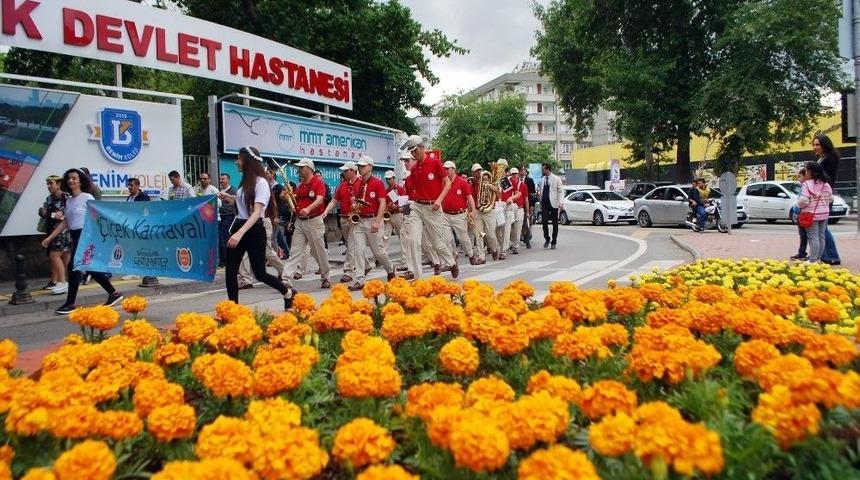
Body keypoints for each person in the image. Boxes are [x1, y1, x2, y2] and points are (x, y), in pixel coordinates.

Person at [43, 169, 123, 315]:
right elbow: (66, 221)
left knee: (74, 267)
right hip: (74, 235)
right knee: (89, 268)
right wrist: (50, 238)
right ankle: (114, 294)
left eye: (74, 178)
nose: (71, 180)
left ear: (81, 181)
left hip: (85, 235)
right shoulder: (69, 201)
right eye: (68, 178)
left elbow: (97, 217)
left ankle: (70, 303)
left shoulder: (87, 197)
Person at [224, 146, 295, 309]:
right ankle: (232, 310)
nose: (236, 162)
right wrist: (229, 198)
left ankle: (288, 292)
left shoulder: (261, 182)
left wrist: (240, 233)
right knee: (230, 271)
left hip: (254, 230)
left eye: (238, 158)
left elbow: (256, 212)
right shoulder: (244, 183)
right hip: (240, 227)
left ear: (247, 161)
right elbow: (244, 207)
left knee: (260, 273)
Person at [401, 135, 458, 279]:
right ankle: (418, 277)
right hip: (417, 207)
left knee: (437, 243)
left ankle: (451, 262)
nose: (413, 154)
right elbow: (409, 193)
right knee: (414, 240)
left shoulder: (435, 163)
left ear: (422, 148)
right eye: (411, 152)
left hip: (433, 208)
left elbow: (447, 183)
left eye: (414, 151)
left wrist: (439, 200)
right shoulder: (414, 170)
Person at [346, 156, 395, 290]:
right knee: (358, 250)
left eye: (363, 166)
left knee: (378, 253)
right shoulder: (359, 183)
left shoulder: (378, 183)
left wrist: (377, 222)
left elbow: (382, 203)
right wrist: (354, 206)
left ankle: (390, 268)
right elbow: (357, 200)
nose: (360, 168)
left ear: (370, 167)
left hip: (373, 219)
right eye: (359, 166)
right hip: (360, 220)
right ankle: (360, 279)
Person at [282, 158, 331, 289]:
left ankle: (326, 277)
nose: (299, 170)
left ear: (309, 168)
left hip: (314, 221)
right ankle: (286, 279)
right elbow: (296, 201)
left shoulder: (318, 182)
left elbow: (320, 199)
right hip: (300, 222)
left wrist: (308, 209)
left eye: (301, 167)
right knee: (294, 251)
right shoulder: (301, 185)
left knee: (319, 251)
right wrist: (288, 198)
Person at [322, 162, 360, 283]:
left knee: (352, 243)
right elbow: (334, 201)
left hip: (357, 218)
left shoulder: (362, 183)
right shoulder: (342, 186)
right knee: (351, 244)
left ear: (353, 171)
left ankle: (348, 271)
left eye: (346, 171)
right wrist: (326, 211)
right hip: (344, 218)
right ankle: (367, 265)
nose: (343, 173)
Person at [38, 175, 70, 295]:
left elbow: (64, 215)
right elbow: (45, 212)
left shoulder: (65, 196)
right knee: (60, 257)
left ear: (58, 184)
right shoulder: (49, 198)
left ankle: (62, 282)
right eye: (48, 184)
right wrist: (44, 212)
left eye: (51, 183)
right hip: (52, 230)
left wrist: (53, 213)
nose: (49, 186)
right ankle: (59, 281)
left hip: (64, 232)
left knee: (55, 255)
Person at [441, 161, 477, 265]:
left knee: (463, 238)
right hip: (445, 215)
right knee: (446, 239)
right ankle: (453, 257)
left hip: (459, 215)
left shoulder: (462, 182)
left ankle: (470, 254)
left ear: (453, 169)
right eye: (445, 169)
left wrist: (473, 210)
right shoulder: (443, 182)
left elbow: (469, 198)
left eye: (447, 169)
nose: (445, 170)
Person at [813, 134, 841, 265]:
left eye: (817, 144)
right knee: (820, 229)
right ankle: (824, 255)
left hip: (823, 198)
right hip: (819, 198)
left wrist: (813, 173)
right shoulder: (821, 159)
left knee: (822, 228)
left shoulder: (829, 159)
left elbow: (827, 179)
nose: (815, 147)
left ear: (824, 145)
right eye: (813, 144)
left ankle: (831, 255)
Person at [797, 162, 833, 263]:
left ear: (810, 172)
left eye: (807, 170)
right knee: (821, 236)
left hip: (811, 214)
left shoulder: (807, 184)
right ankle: (818, 258)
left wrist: (797, 205)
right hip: (824, 213)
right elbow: (830, 198)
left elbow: (804, 200)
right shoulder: (825, 184)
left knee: (813, 237)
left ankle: (812, 260)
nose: (806, 171)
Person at [383, 169, 408, 271]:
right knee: (385, 237)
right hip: (388, 216)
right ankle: (383, 259)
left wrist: (396, 206)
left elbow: (404, 204)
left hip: (398, 215)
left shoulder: (400, 189)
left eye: (389, 179)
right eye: (387, 179)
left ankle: (405, 262)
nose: (388, 181)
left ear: (393, 178)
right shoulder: (386, 191)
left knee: (403, 239)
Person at [536, 163, 564, 249]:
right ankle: (547, 238)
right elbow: (540, 189)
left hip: (554, 203)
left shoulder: (556, 179)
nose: (542, 171)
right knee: (544, 222)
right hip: (544, 203)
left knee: (555, 223)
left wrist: (561, 202)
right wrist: (539, 195)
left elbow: (560, 191)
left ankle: (554, 241)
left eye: (544, 169)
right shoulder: (542, 180)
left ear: (548, 169)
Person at [217, 173, 238, 268]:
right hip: (220, 217)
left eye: (223, 179)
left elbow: (236, 203)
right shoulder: (218, 191)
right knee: (220, 239)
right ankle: (222, 261)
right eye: (220, 179)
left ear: (228, 180)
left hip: (229, 216)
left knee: (225, 238)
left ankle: (227, 261)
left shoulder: (233, 190)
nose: (221, 181)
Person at [507, 167, 529, 255]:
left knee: (518, 228)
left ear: (518, 175)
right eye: (512, 174)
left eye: (515, 174)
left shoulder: (523, 185)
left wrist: (527, 211)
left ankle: (516, 246)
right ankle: (511, 243)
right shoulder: (507, 185)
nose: (514, 176)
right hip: (509, 208)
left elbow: (526, 199)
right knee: (510, 228)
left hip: (519, 208)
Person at [790, 168, 808, 260]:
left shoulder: (806, 186)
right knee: (804, 234)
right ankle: (802, 252)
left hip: (804, 213)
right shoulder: (804, 186)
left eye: (800, 176)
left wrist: (796, 208)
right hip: (803, 213)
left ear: (806, 176)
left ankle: (803, 253)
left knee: (806, 235)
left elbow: (803, 200)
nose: (798, 178)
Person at [520, 168, 536, 249]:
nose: (523, 172)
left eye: (524, 170)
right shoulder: (516, 180)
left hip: (528, 204)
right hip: (519, 204)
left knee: (527, 222)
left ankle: (527, 240)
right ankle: (521, 236)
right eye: (521, 170)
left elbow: (533, 194)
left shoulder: (529, 180)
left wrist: (532, 205)